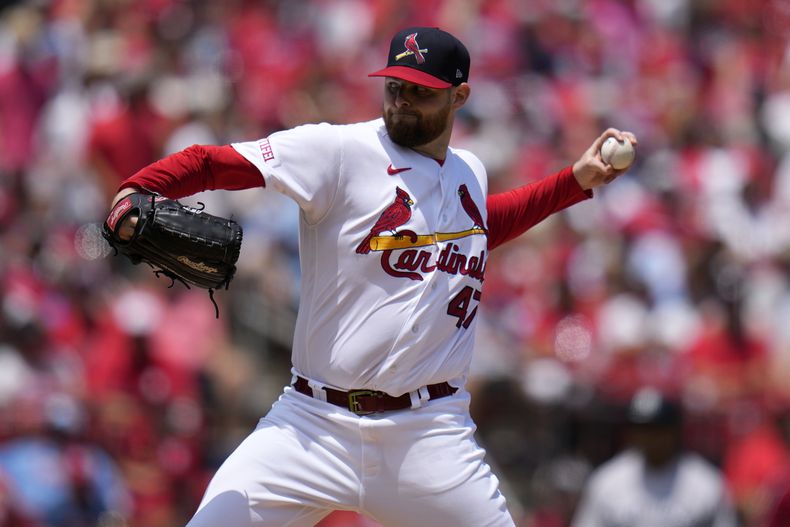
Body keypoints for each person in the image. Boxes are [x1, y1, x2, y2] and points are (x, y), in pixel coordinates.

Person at [107, 26, 636, 527]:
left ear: (459, 96)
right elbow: (211, 162)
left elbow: (479, 227)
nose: (402, 100)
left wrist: (574, 181)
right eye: (395, 86)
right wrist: (135, 189)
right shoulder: (338, 152)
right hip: (310, 426)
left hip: (429, 435)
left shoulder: (468, 171)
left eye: (421, 91)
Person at [571, 387, 737, 527]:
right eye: (642, 430)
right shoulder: (607, 481)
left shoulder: (706, 483)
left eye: (657, 430)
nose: (649, 438)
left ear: (675, 431)